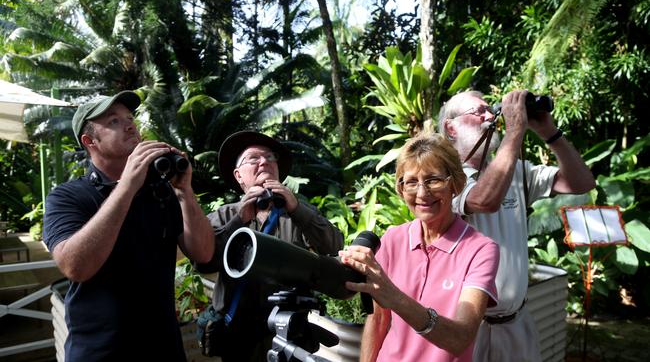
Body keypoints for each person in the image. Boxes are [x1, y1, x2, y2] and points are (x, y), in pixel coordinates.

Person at [42, 91, 214, 361]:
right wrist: (128, 185)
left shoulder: (161, 191)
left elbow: (203, 253)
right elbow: (75, 266)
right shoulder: (66, 197)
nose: (130, 125)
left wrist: (184, 192)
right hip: (101, 352)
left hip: (164, 349)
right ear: (90, 141)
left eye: (129, 117)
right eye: (113, 121)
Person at [438, 90, 596, 361]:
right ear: (451, 127)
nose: (490, 116)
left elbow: (582, 182)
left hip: (517, 321)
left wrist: (549, 132)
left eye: (491, 109)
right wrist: (515, 132)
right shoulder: (441, 176)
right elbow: (484, 200)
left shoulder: (516, 171)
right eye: (479, 112)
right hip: (469, 329)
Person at [340, 133, 500, 362]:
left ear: (455, 183)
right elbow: (377, 320)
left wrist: (394, 297)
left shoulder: (480, 250)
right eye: (412, 182)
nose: (422, 193)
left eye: (434, 179)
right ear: (401, 188)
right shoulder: (393, 239)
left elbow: (461, 338)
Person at [195, 131, 344, 361]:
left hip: (291, 335)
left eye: (270, 157)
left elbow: (333, 245)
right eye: (253, 158)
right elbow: (205, 261)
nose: (264, 162)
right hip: (239, 338)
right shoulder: (223, 216)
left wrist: (297, 209)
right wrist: (239, 220)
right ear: (239, 176)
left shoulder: (296, 213)